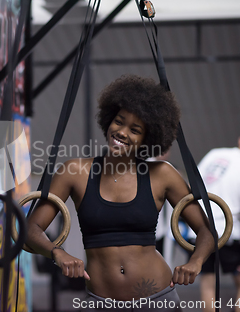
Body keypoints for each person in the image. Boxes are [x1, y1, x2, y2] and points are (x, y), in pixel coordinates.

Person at [26, 75, 215, 311]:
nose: (122, 132)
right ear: (108, 121)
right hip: (101, 302)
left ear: (147, 139)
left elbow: (207, 231)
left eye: (135, 129)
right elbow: (30, 229)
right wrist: (57, 253)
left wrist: (195, 262)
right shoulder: (74, 171)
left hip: (158, 299)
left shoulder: (162, 174)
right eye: (119, 122)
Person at [193, 125, 240, 312]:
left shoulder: (214, 154)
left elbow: (192, 188)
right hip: (228, 234)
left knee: (208, 281)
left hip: (202, 230)